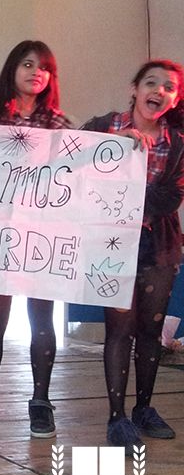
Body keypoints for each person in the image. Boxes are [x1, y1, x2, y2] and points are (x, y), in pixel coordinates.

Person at [0, 41, 72, 437]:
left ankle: (41, 402)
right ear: (12, 68)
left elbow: (79, 170)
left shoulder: (59, 124)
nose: (35, 72)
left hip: (41, 235)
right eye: (27, 64)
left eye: (44, 67)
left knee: (41, 319)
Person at [82, 59, 183, 453]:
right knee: (119, 329)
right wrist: (112, 150)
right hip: (111, 244)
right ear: (135, 88)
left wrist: (127, 193)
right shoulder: (104, 127)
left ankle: (143, 408)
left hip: (158, 246)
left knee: (150, 330)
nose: (159, 91)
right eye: (151, 83)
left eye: (169, 87)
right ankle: (116, 416)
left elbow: (172, 196)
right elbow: (71, 162)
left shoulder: (177, 143)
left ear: (175, 99)